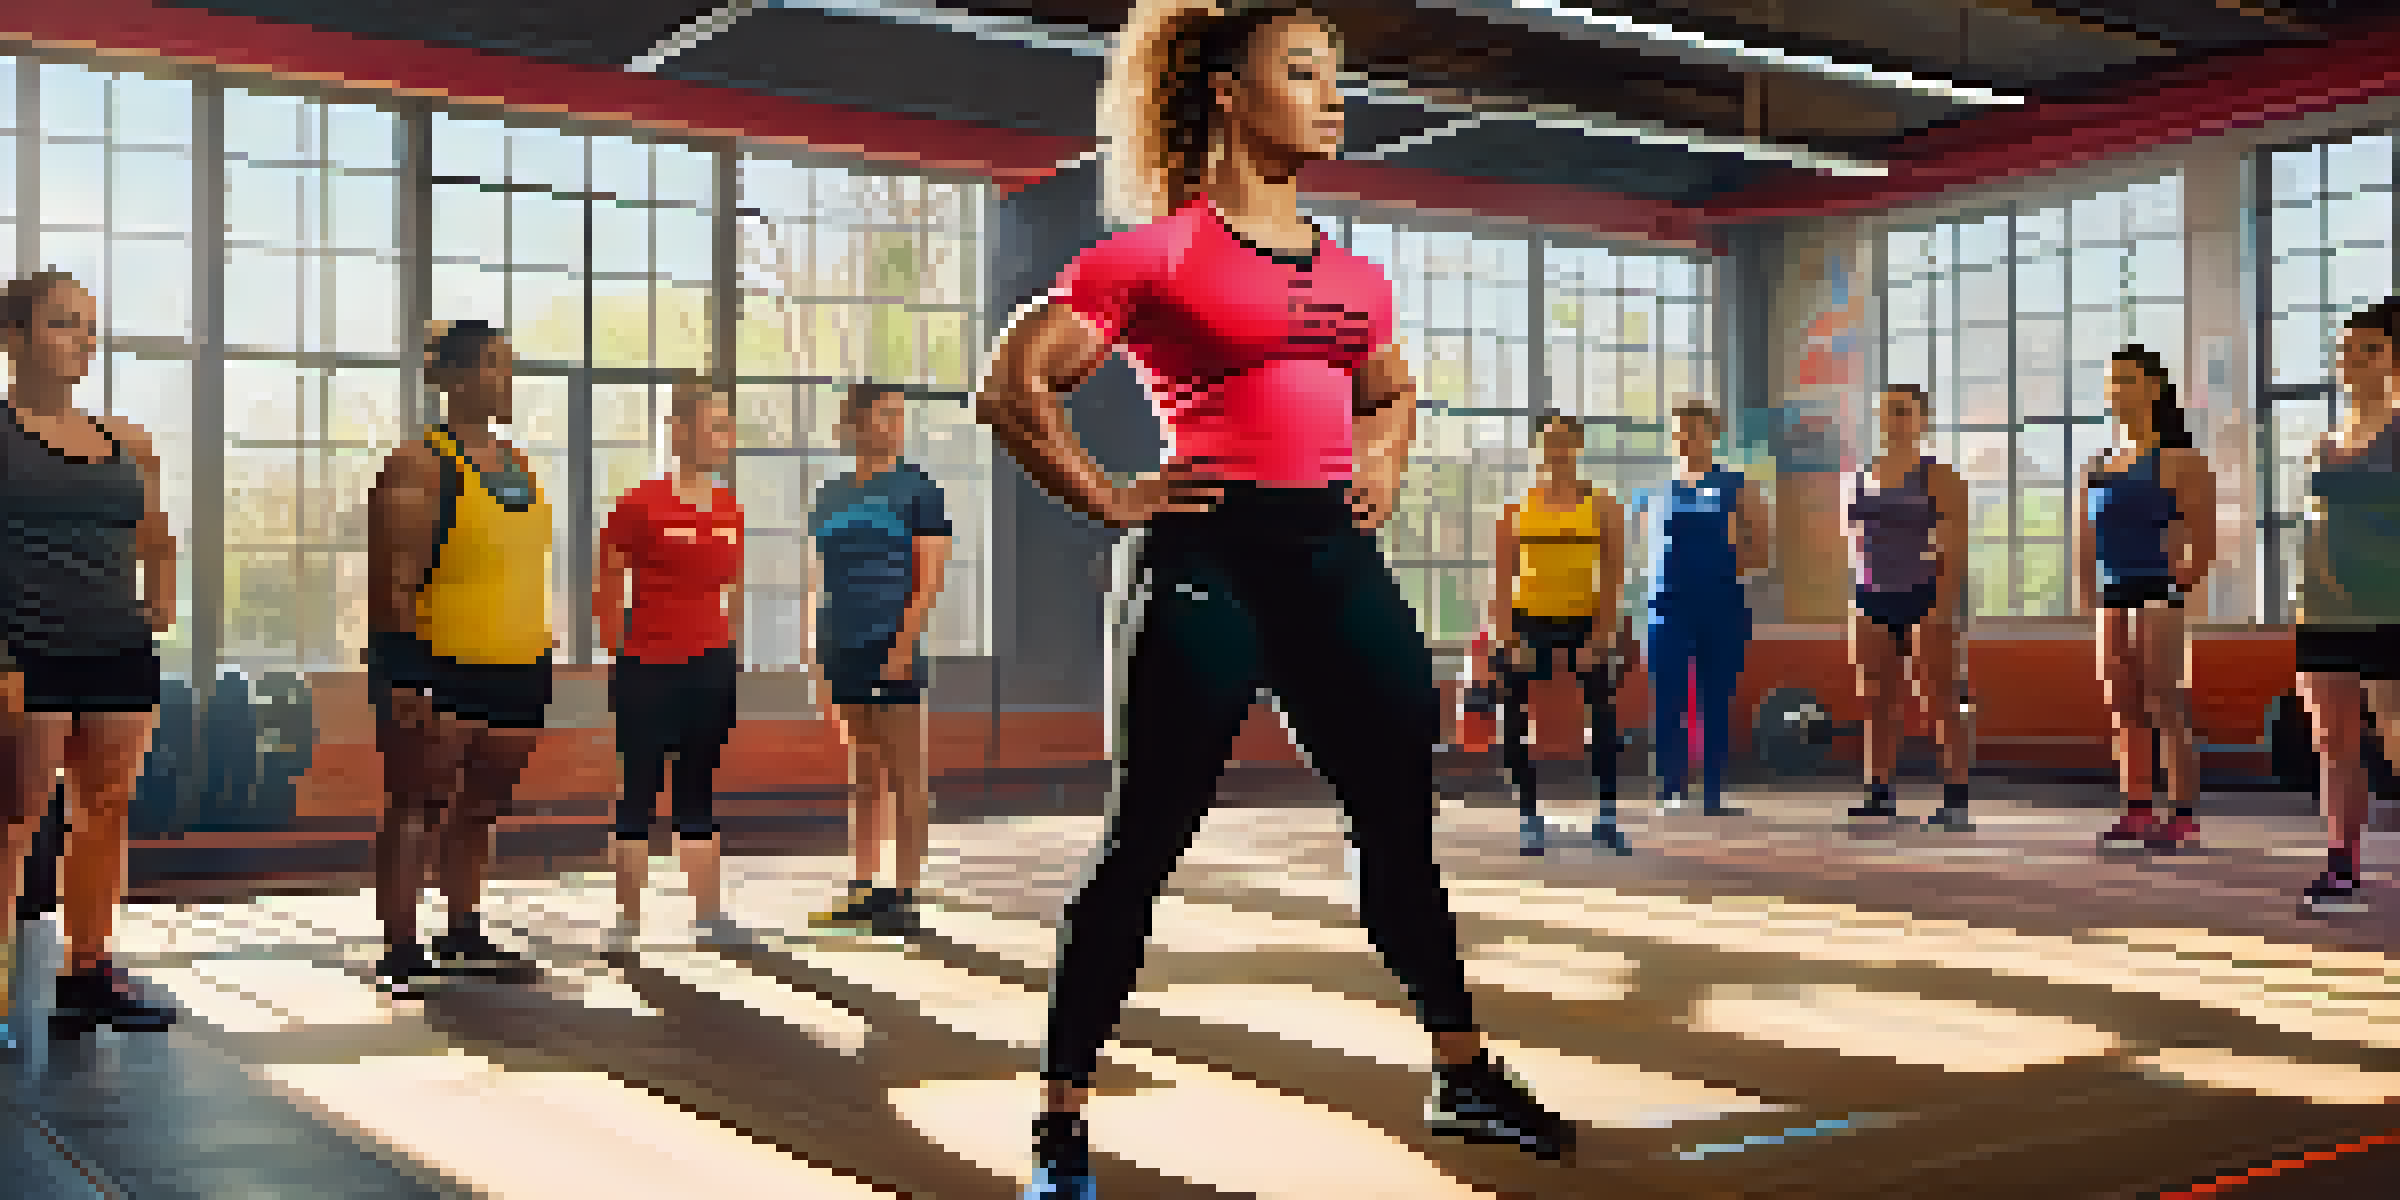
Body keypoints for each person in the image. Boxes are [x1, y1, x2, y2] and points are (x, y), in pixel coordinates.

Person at [977, 4, 1571, 1194]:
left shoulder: (1355, 276)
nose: (1332, 95)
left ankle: (1460, 1069)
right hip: (1207, 558)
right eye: (1302, 73)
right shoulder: (1156, 256)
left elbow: (1388, 393)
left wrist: (1389, 459)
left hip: (1331, 566)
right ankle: (1060, 1121)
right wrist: (1110, 498)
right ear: (1227, 96)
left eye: (1335, 75)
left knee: (1401, 826)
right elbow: (1013, 384)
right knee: (1141, 846)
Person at [0, 269, 177, 1036]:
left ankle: (89, 971)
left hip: (117, 653)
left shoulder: (126, 442)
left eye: (88, 325)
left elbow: (157, 537)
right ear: (15, 338)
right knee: (12, 824)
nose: (83, 340)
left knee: (104, 811)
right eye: (64, 324)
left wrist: (160, 596)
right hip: (28, 653)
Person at [364, 320, 552, 996]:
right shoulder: (418, 464)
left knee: (480, 810)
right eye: (494, 366)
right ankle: (398, 947)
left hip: (517, 669)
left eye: (509, 366)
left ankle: (462, 930)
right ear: (453, 378)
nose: (506, 380)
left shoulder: (519, 465)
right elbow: (392, 581)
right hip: (437, 668)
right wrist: (405, 673)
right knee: (417, 804)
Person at [596, 371, 746, 949]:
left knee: (697, 790)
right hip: (646, 669)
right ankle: (628, 921)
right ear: (679, 431)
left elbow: (732, 584)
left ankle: (708, 917)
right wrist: (620, 650)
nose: (726, 437)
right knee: (638, 791)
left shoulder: (731, 510)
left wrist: (725, 649)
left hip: (709, 667)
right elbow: (606, 578)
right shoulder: (639, 505)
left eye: (729, 427)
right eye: (716, 426)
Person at [805, 382, 950, 939]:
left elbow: (928, 581)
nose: (894, 425)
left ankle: (905, 896)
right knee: (863, 777)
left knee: (905, 775)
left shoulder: (919, 492)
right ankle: (864, 889)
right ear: (854, 423)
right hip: (839, 646)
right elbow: (820, 580)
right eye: (883, 415)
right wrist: (816, 658)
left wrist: (901, 646)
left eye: (898, 416)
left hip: (890, 647)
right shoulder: (830, 495)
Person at [2079, 346, 2217, 855]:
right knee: (2124, 707)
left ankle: (2182, 815)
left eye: (2128, 381)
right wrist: (2090, 601)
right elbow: (2086, 541)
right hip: (2112, 595)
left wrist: (2173, 587)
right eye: (2113, 382)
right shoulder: (2099, 464)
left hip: (2157, 588)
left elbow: (2202, 541)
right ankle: (2137, 809)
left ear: (2154, 388)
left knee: (2163, 702)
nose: (2119, 392)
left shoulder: (2182, 460)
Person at [2291, 298, 2400, 913]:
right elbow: (2313, 525)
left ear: (2389, 359)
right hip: (2323, 610)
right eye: (2347, 352)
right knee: (2333, 740)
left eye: (2369, 352)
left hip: (2388, 607)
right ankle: (2342, 867)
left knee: (2394, 736)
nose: (2355, 362)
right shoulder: (2323, 444)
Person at [1491, 414, 1629, 855]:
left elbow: (1612, 576)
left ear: (1578, 446)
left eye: (1566, 441)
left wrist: (1601, 638)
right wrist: (1510, 639)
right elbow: (1501, 578)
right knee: (1512, 716)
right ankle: (1529, 817)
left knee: (1603, 716)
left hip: (1584, 621)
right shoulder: (1517, 505)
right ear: (1538, 447)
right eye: (1550, 442)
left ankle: (1606, 817)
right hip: (1529, 620)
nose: (1558, 450)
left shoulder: (1602, 505)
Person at [1845, 384, 1974, 829]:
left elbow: (1954, 550)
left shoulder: (1939, 477)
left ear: (1922, 420)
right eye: (1885, 412)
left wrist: (1941, 607)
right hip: (1870, 600)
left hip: (1924, 598)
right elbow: (1855, 545)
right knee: (1876, 701)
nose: (1892, 420)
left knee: (1938, 700)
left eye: (1901, 412)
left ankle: (1955, 797)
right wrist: (1856, 604)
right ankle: (1878, 793)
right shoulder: (1860, 476)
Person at [1637, 402, 1771, 817]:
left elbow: (1760, 548)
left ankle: (1711, 790)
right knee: (1668, 699)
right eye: (1679, 431)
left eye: (1695, 431)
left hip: (1721, 607)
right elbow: (1651, 550)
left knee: (1715, 699)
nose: (1686, 439)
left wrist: (1723, 570)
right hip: (1668, 609)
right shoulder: (1657, 492)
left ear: (1714, 435)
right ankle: (1670, 790)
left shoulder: (1737, 485)